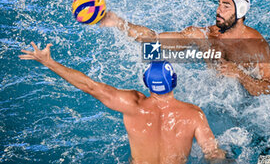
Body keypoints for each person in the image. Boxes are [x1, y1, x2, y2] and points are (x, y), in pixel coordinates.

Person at [19, 42, 226, 164]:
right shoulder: (193, 114)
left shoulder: (132, 104)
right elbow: (213, 154)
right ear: (174, 81)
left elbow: (89, 86)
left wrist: (48, 61)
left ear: (146, 82)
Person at [100, 0, 270, 96]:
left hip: (250, 103)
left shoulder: (257, 45)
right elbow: (154, 38)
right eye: (219, 4)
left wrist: (239, 74)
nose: (218, 10)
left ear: (240, 12)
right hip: (215, 94)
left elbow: (269, 88)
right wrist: (119, 23)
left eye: (226, 6)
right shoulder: (202, 35)